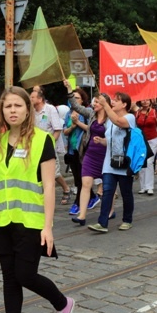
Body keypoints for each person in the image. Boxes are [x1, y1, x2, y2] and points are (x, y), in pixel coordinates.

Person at [0, 87, 74, 313]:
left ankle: (63, 303)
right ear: (2, 111)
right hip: (5, 220)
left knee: (25, 275)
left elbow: (49, 187)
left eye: (18, 106)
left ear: (27, 110)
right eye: (7, 106)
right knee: (9, 278)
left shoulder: (42, 140)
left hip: (32, 220)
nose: (12, 111)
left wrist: (48, 226)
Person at [88, 92, 137, 233]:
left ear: (124, 104)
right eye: (113, 100)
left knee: (126, 192)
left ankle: (127, 220)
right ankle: (102, 223)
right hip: (110, 164)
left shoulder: (129, 117)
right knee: (107, 192)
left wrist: (105, 105)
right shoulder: (111, 121)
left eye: (116, 100)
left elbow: (119, 122)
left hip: (124, 164)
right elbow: (111, 140)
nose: (113, 102)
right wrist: (101, 141)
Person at [64, 80, 108, 225]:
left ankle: (110, 210)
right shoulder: (91, 114)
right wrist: (70, 89)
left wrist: (103, 141)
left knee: (109, 186)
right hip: (89, 154)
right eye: (94, 102)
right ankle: (82, 215)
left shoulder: (111, 119)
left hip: (105, 156)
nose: (94, 104)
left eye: (97, 102)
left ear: (104, 104)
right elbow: (76, 105)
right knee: (86, 183)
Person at [30, 88, 72, 206]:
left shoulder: (50, 109)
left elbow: (57, 130)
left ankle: (66, 188)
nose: (30, 99)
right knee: (37, 171)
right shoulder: (32, 111)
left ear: (40, 99)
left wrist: (50, 145)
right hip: (35, 145)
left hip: (48, 144)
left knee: (54, 173)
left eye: (32, 97)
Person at [62, 87, 90, 215]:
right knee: (77, 178)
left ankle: (77, 203)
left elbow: (90, 129)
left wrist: (77, 122)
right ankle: (92, 197)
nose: (73, 100)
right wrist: (72, 126)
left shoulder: (87, 112)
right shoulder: (69, 113)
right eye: (72, 98)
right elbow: (65, 131)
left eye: (77, 98)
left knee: (80, 179)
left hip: (82, 150)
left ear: (83, 100)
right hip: (72, 150)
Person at [135, 99, 157, 195]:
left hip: (153, 140)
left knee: (149, 162)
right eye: (143, 100)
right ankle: (143, 186)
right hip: (141, 141)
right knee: (142, 162)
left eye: (147, 100)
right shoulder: (137, 113)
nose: (145, 102)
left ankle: (149, 186)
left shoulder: (155, 112)